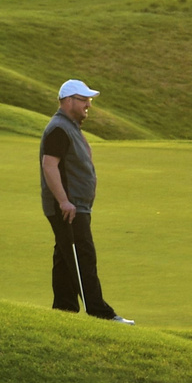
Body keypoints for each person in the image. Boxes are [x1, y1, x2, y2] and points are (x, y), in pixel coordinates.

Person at [40, 79, 130, 323]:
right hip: (69, 208)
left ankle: (64, 311)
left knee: (64, 256)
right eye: (84, 99)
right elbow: (49, 166)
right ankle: (99, 313)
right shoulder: (59, 128)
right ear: (68, 101)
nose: (89, 104)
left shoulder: (69, 127)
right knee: (82, 255)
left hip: (76, 205)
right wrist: (64, 202)